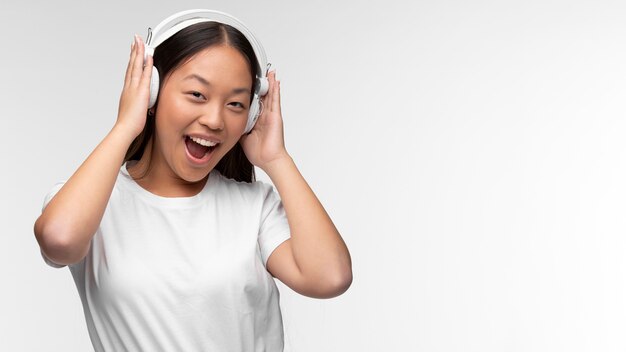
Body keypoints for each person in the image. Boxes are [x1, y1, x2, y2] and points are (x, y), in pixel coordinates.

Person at [33, 10, 352, 352]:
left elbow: (329, 277)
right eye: (197, 95)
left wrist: (277, 159)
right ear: (152, 92)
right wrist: (126, 125)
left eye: (235, 104)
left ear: (251, 116)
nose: (215, 120)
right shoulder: (93, 204)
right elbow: (59, 239)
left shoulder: (254, 207)